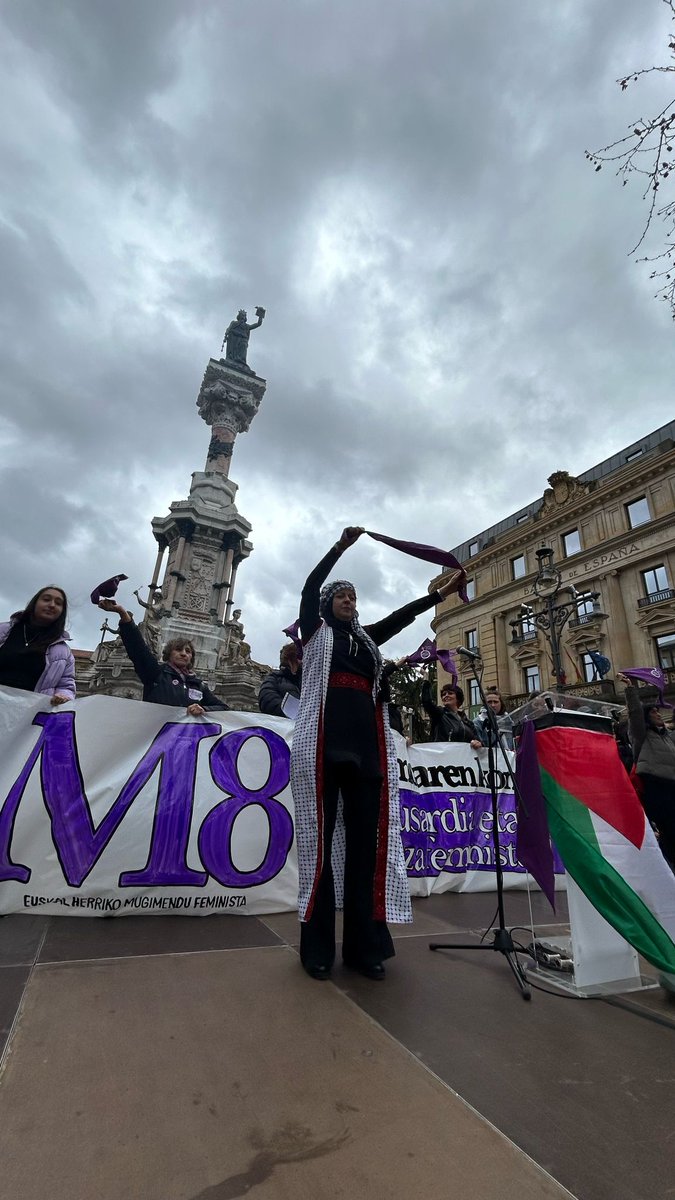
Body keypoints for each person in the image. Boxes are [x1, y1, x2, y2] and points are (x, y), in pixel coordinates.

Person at [291, 526, 465, 982]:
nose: (348, 601)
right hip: (324, 746)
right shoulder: (315, 634)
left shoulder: (367, 641)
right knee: (321, 848)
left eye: (352, 596)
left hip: (367, 748)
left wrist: (440, 595)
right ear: (328, 605)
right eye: (341, 596)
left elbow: (402, 618)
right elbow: (309, 587)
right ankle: (317, 950)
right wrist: (339, 549)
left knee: (368, 849)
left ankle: (365, 947)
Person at [98, 599, 228, 714]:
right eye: (178, 650)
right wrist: (122, 613)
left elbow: (224, 709)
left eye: (188, 651)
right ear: (169, 654)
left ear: (191, 657)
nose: (183, 653)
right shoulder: (156, 674)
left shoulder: (198, 685)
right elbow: (138, 649)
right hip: (156, 737)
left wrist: (204, 709)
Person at [618, 673, 675, 869]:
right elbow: (634, 713)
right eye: (654, 713)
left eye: (659, 713)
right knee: (668, 829)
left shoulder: (668, 735)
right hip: (656, 786)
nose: (659, 715)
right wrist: (630, 688)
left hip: (673, 785)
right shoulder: (641, 735)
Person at [0, 586, 75, 704]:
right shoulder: (3, 630)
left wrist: (63, 696)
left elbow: (66, 686)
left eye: (58, 603)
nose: (52, 605)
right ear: (34, 603)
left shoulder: (64, 653)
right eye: (46, 599)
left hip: (28, 716)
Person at [421, 677, 482, 747]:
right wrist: (426, 681)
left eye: (450, 693)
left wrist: (477, 743)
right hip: (443, 756)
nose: (446, 695)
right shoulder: (439, 714)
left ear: (458, 698)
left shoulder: (468, 723)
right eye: (444, 694)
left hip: (463, 757)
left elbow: (478, 741)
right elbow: (427, 703)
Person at [258, 643, 302, 717]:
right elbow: (267, 701)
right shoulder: (274, 678)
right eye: (299, 657)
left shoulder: (311, 680)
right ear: (290, 660)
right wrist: (299, 714)